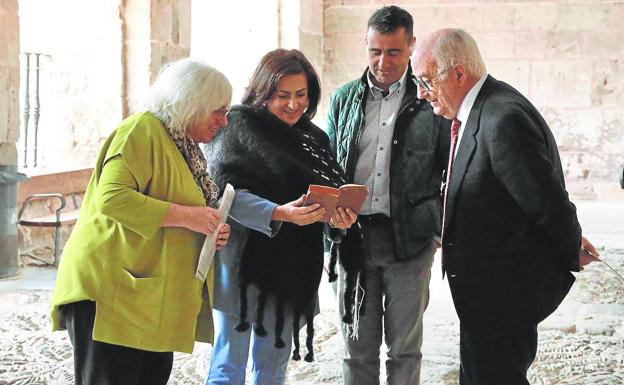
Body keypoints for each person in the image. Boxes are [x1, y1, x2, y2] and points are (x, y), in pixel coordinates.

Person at [412, 28, 599, 385]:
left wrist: (570, 248)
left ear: (458, 74)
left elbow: (546, 203)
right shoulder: (483, 108)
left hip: (502, 296)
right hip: (485, 295)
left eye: (425, 80)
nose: (421, 93)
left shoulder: (502, 118)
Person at [49, 58, 234, 385]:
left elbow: (175, 207)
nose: (224, 120)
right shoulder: (141, 130)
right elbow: (113, 198)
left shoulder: (183, 145)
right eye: (217, 110)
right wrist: (191, 217)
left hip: (149, 298)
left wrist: (207, 230)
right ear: (192, 104)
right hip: (113, 294)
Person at [203, 48, 363, 385]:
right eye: (283, 95)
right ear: (263, 92)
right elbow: (224, 195)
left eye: (301, 94)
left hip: (291, 269)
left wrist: (336, 219)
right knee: (228, 366)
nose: (294, 104)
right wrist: (279, 213)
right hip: (242, 264)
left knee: (273, 368)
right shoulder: (235, 125)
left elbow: (324, 197)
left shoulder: (314, 139)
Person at [326, 6, 451, 385]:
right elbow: (328, 167)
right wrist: (330, 220)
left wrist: (438, 229)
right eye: (375, 51)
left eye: (394, 52)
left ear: (412, 45)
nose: (383, 62)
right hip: (353, 239)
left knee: (405, 349)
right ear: (365, 44)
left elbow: (450, 168)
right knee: (356, 350)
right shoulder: (343, 98)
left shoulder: (432, 101)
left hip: (411, 240)